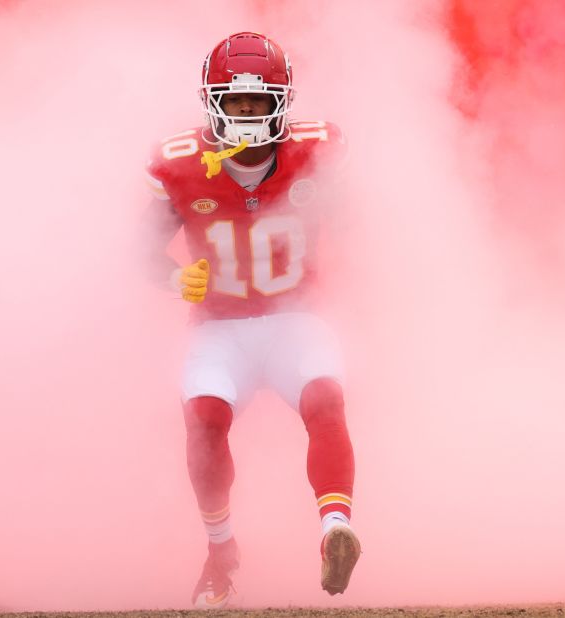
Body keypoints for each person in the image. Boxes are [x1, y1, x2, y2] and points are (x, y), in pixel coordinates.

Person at [143, 32, 360, 609]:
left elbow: (364, 217)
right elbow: (136, 249)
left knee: (325, 400)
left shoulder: (314, 154)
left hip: (295, 317)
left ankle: (335, 528)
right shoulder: (180, 167)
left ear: (281, 102)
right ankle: (222, 552)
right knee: (205, 421)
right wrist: (173, 279)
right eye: (235, 102)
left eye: (258, 102)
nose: (245, 114)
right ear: (212, 101)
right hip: (221, 327)